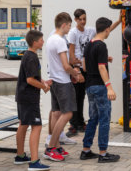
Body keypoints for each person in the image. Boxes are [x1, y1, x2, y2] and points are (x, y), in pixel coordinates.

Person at [67, 9, 121, 137]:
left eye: (84, 18)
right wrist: (76, 69)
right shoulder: (73, 33)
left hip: (87, 67)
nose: (83, 21)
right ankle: (74, 123)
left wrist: (118, 21)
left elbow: (105, 31)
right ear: (75, 20)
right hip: (79, 68)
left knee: (87, 101)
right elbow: (71, 51)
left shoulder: (91, 32)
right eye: (80, 19)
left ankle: (81, 124)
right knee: (77, 97)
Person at [79, 17, 120, 163]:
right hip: (100, 87)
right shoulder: (101, 46)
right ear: (107, 29)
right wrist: (109, 87)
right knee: (104, 119)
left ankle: (86, 150)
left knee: (93, 119)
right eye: (109, 30)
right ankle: (103, 153)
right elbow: (101, 67)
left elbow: (84, 67)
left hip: (89, 86)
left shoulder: (89, 45)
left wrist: (103, 59)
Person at [44, 12, 83, 162]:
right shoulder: (60, 41)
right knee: (68, 114)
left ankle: (56, 146)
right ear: (64, 25)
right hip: (62, 81)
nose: (70, 29)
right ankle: (51, 148)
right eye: (69, 26)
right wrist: (76, 74)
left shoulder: (50, 39)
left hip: (54, 79)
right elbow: (66, 66)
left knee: (57, 112)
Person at [14, 30, 51, 170]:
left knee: (23, 124)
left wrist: (44, 82)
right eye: (41, 40)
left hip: (23, 96)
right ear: (35, 42)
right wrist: (43, 87)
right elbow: (30, 80)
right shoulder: (31, 57)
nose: (43, 42)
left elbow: (33, 76)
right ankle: (34, 162)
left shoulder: (29, 55)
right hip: (29, 98)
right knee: (37, 126)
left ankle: (20, 155)